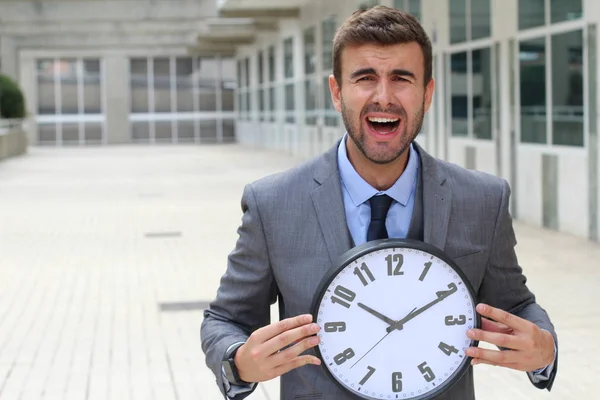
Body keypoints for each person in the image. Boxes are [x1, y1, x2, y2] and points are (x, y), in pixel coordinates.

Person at [201, 5, 557, 400]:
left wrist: (545, 350)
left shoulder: (482, 200)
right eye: (365, 78)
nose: (383, 97)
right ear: (337, 92)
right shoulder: (273, 204)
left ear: (428, 92)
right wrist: (237, 361)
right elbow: (225, 320)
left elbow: (517, 305)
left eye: (401, 78)